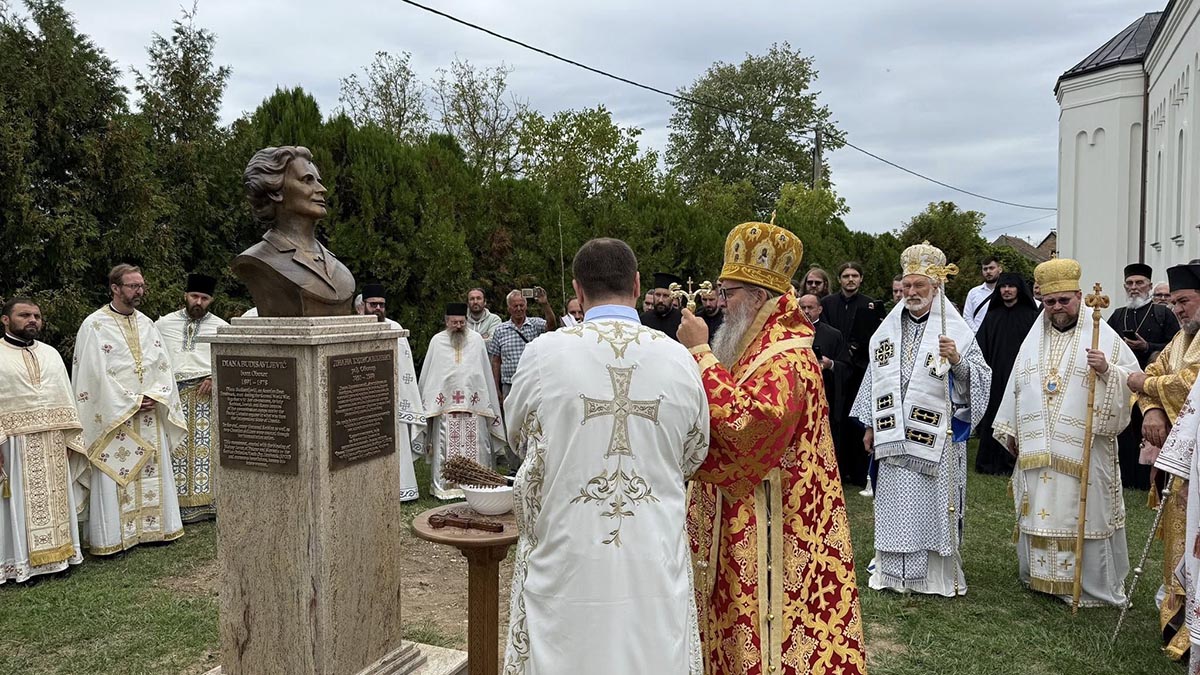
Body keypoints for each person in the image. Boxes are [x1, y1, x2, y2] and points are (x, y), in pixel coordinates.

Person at [502, 238, 710, 674]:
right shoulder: (680, 359)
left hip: (566, 552)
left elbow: (516, 432)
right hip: (651, 556)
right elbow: (695, 452)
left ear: (578, 291)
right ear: (637, 285)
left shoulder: (544, 353)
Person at [678, 221, 866, 674]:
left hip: (774, 521)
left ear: (759, 297)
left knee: (769, 627)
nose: (720, 304)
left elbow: (749, 426)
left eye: (729, 293)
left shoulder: (788, 355)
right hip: (743, 511)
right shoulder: (750, 344)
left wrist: (701, 354)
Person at [992, 258, 1137, 607]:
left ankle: (1089, 587)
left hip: (1085, 448)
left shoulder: (1103, 334)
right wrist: (1012, 429)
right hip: (1038, 446)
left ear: (1079, 296)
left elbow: (1132, 382)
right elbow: (1017, 384)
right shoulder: (1033, 339)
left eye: (1064, 301)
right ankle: (1043, 580)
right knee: (1041, 506)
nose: (1056, 308)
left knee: (1085, 512)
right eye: (1050, 301)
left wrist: (1107, 370)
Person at [852, 242, 991, 597]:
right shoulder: (887, 330)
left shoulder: (955, 330)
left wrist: (957, 359)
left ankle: (934, 576)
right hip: (892, 433)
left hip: (937, 440)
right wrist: (869, 423)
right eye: (908, 286)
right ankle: (894, 572)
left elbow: (981, 378)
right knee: (896, 503)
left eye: (920, 287)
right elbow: (874, 377)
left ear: (936, 288)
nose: (912, 293)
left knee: (931, 506)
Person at [73, 264, 187, 555]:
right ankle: (112, 536)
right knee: (114, 473)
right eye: (133, 286)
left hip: (150, 413)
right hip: (114, 417)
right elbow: (92, 375)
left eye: (141, 286)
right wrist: (131, 401)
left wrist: (155, 396)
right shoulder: (94, 325)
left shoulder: (148, 324)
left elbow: (163, 366)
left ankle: (154, 530)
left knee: (153, 470)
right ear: (115, 288)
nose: (140, 291)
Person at [1130, 262, 1200, 661]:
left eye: (1184, 301)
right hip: (1179, 462)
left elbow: (1190, 384)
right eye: (1174, 302)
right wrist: (1153, 410)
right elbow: (1157, 372)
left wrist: (1147, 387)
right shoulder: (1181, 338)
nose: (1177, 309)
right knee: (1177, 538)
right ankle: (1179, 618)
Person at [0, 298, 88, 583]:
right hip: (12, 444)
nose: (32, 320)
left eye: (36, 315)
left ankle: (61, 558)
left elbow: (63, 395)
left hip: (53, 439)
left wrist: (68, 439)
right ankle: (22, 564)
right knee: (17, 503)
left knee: (55, 498)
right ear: (5, 320)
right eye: (24, 315)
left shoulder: (50, 354)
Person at [231, 146, 355, 316]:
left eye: (318, 180)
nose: (322, 189)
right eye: (307, 180)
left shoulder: (336, 266)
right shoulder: (258, 260)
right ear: (276, 191)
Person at [154, 273, 228, 522]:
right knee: (176, 447)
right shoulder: (163, 325)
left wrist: (213, 376)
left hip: (206, 396)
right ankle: (174, 506)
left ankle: (207, 504)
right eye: (194, 296)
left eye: (204, 298)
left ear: (211, 300)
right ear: (185, 295)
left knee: (206, 450)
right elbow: (154, 359)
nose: (198, 302)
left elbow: (227, 361)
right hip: (173, 396)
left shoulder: (221, 327)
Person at [416, 303, 507, 500]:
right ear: (446, 321)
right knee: (446, 446)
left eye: (462, 322)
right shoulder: (437, 341)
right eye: (454, 322)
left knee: (478, 445)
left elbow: (481, 373)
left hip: (475, 406)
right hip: (445, 408)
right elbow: (431, 376)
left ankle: (478, 484)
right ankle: (445, 488)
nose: (458, 326)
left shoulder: (476, 341)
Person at [1108, 263, 1180, 489]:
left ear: (1149, 285)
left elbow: (1174, 346)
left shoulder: (1163, 314)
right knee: (1125, 431)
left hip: (1152, 383)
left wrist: (1147, 346)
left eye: (1139, 283)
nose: (1134, 287)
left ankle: (1146, 480)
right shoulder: (1119, 315)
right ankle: (1126, 477)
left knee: (1147, 431)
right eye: (1129, 283)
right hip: (1124, 381)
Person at [361, 282, 425, 501]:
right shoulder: (353, 327)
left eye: (381, 305)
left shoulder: (395, 329)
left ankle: (402, 490)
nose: (378, 308)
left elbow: (406, 369)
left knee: (396, 446)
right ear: (363, 305)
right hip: (363, 401)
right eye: (373, 304)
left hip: (392, 400)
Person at [821, 261, 882, 486]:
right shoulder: (827, 304)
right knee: (835, 420)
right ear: (839, 279)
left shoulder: (869, 305)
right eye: (846, 275)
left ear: (861, 278)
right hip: (833, 370)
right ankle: (836, 469)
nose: (850, 280)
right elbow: (825, 334)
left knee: (856, 420)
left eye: (854, 275)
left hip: (858, 371)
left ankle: (857, 472)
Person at [974, 273, 1040, 475]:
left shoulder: (1031, 316)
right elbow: (980, 347)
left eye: (1011, 286)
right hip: (995, 377)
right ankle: (991, 461)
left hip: (1023, 377)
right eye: (1003, 287)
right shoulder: (992, 316)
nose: (1006, 290)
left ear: (1019, 289)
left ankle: (1017, 460)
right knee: (994, 416)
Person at [799, 292, 852, 473]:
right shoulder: (790, 334)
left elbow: (846, 366)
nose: (806, 311)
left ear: (819, 309)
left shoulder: (833, 334)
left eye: (810, 308)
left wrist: (831, 365)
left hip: (826, 395)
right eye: (802, 307)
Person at [488, 288, 557, 406]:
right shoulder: (500, 330)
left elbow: (551, 325)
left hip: (533, 383)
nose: (519, 309)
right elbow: (496, 361)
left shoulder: (535, 324)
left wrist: (545, 304)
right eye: (515, 306)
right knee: (511, 421)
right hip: (509, 384)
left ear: (526, 306)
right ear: (509, 308)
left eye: (521, 305)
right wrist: (496, 389)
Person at [963, 254, 1003, 332]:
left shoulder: (1006, 292)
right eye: (985, 269)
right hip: (977, 337)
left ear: (1000, 269)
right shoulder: (973, 292)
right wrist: (978, 332)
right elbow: (967, 317)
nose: (988, 271)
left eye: (991, 268)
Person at [640, 272, 684, 340]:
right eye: (658, 295)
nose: (660, 300)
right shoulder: (643, 319)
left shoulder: (682, 320)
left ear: (672, 297)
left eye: (665, 296)